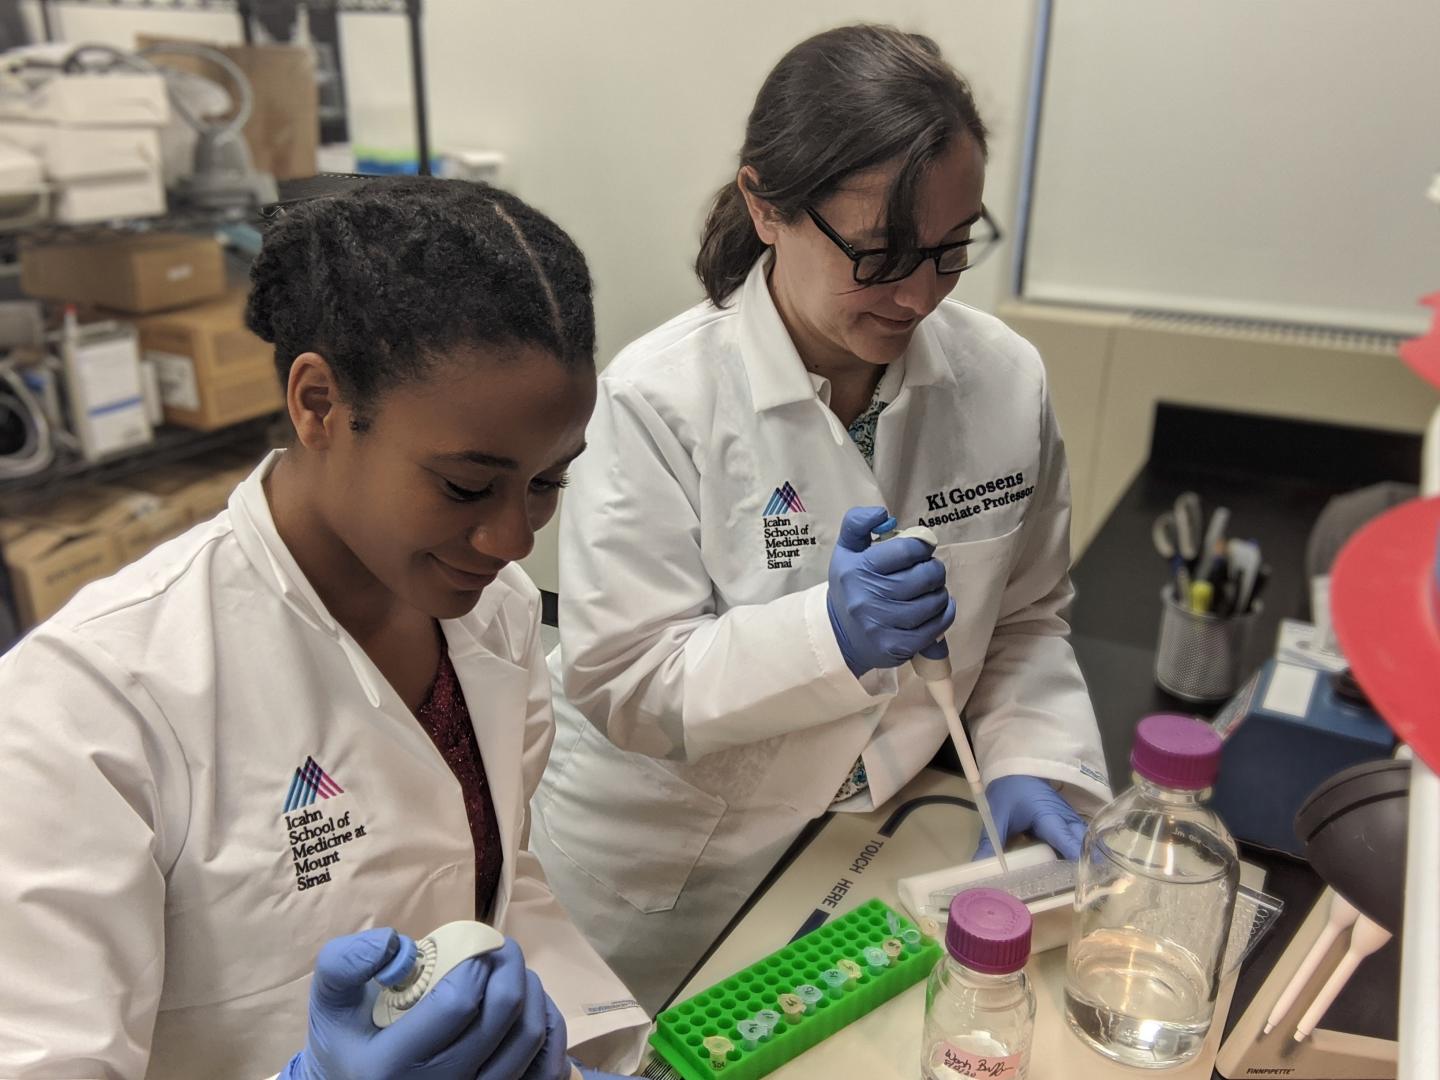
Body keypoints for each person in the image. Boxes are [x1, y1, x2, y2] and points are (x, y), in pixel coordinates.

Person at [0, 178, 644, 1079]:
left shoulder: (488, 611)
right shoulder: (92, 701)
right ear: (318, 405)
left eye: (547, 482)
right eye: (466, 485)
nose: (512, 540)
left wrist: (570, 1044)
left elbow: (492, 883)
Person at [530, 24, 1114, 1011]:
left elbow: (1022, 616)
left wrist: (1032, 761)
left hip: (855, 846)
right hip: (663, 877)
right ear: (767, 205)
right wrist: (826, 635)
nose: (921, 294)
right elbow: (623, 676)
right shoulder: (658, 399)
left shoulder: (1002, 383)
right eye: (883, 256)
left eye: (952, 249)